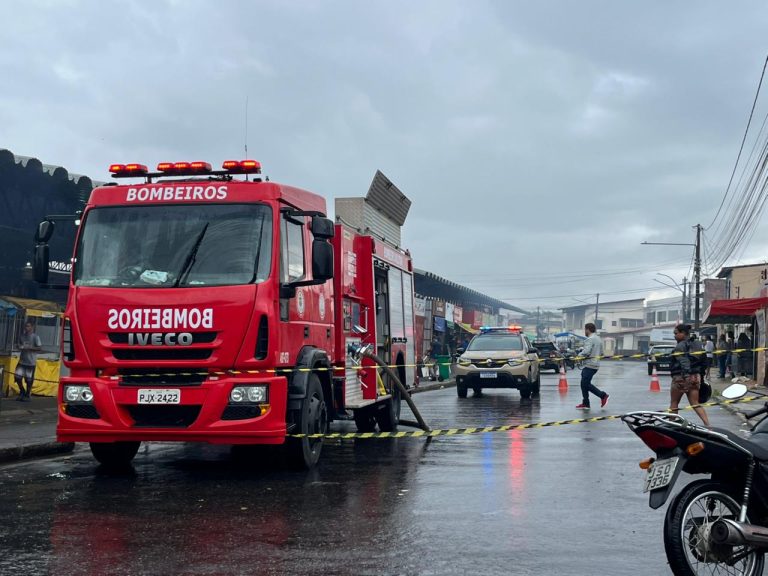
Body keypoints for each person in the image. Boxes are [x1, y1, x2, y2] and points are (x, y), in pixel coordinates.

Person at [669, 324, 709, 426]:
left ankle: (671, 425)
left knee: (674, 402)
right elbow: (704, 362)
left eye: (676, 333)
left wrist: (686, 375)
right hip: (695, 377)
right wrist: (701, 375)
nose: (674, 336)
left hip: (681, 377)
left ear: (683, 333)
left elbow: (684, 362)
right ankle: (708, 425)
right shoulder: (697, 345)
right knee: (695, 403)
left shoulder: (680, 346)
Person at [575, 323, 609, 410]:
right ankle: (585, 403)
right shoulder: (598, 339)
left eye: (585, 329)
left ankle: (603, 395)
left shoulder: (589, 339)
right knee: (583, 384)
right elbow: (601, 353)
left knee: (585, 384)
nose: (585, 331)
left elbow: (586, 351)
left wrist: (578, 355)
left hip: (589, 364)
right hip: (595, 365)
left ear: (588, 329)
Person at [14, 321, 42, 402]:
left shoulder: (35, 337)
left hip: (30, 362)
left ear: (32, 327)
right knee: (17, 377)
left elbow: (39, 348)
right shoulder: (22, 336)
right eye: (26, 326)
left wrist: (29, 348)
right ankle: (22, 391)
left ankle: (27, 394)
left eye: (28, 326)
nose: (26, 328)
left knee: (29, 380)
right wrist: (19, 347)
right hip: (22, 361)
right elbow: (19, 345)